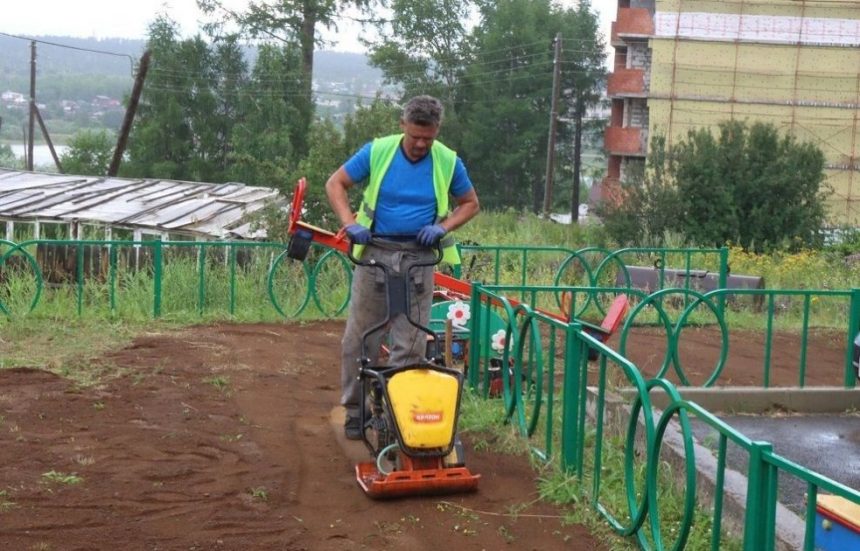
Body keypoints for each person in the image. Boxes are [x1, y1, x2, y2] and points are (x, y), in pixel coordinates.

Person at [325, 95, 480, 440]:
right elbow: (335, 183)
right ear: (403, 127)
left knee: (410, 343)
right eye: (415, 137)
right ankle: (355, 411)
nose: (421, 145)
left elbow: (470, 203)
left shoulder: (448, 162)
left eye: (428, 138)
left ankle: (398, 417)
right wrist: (350, 222)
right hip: (375, 254)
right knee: (359, 339)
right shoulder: (377, 152)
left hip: (419, 257)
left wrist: (443, 228)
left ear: (437, 131)